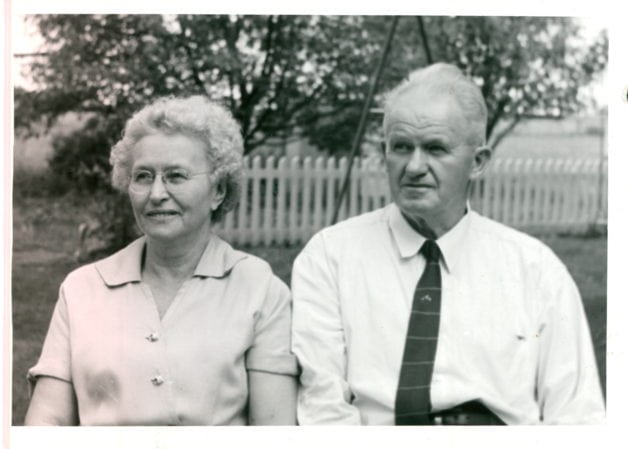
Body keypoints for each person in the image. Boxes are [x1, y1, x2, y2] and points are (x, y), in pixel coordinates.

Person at [291, 63, 605, 425]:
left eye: (435, 149)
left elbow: (576, 415)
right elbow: (323, 407)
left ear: (478, 162)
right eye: (401, 147)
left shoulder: (536, 269)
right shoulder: (330, 257)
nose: (414, 166)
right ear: (384, 151)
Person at [25, 96, 298, 425]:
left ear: (219, 191)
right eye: (142, 177)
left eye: (176, 176)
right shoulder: (82, 288)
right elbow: (45, 423)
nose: (156, 194)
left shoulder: (260, 289)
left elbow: (274, 432)